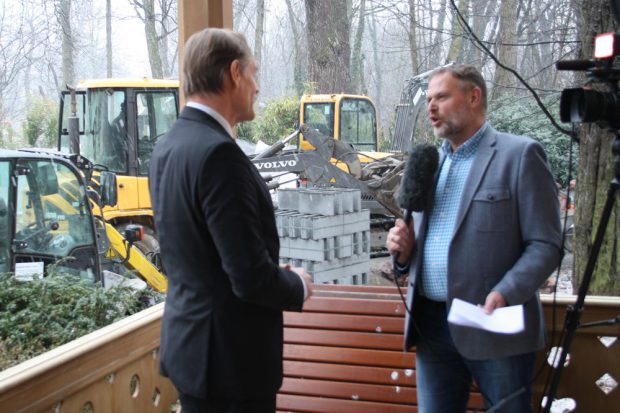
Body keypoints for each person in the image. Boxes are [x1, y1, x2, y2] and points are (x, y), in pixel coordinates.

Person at [149, 28, 313, 413]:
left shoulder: (168, 146)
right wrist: (297, 285)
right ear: (234, 73)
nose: (257, 87)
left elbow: (204, 256)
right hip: (231, 367)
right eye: (254, 74)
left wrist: (266, 268)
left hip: (194, 355)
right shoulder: (220, 156)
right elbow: (249, 278)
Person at [386, 64, 561, 413]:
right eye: (429, 99)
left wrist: (506, 292)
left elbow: (546, 244)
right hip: (432, 327)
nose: (431, 106)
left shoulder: (520, 155)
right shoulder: (429, 164)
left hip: (495, 325)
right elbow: (422, 246)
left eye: (442, 97)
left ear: (474, 96)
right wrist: (403, 254)